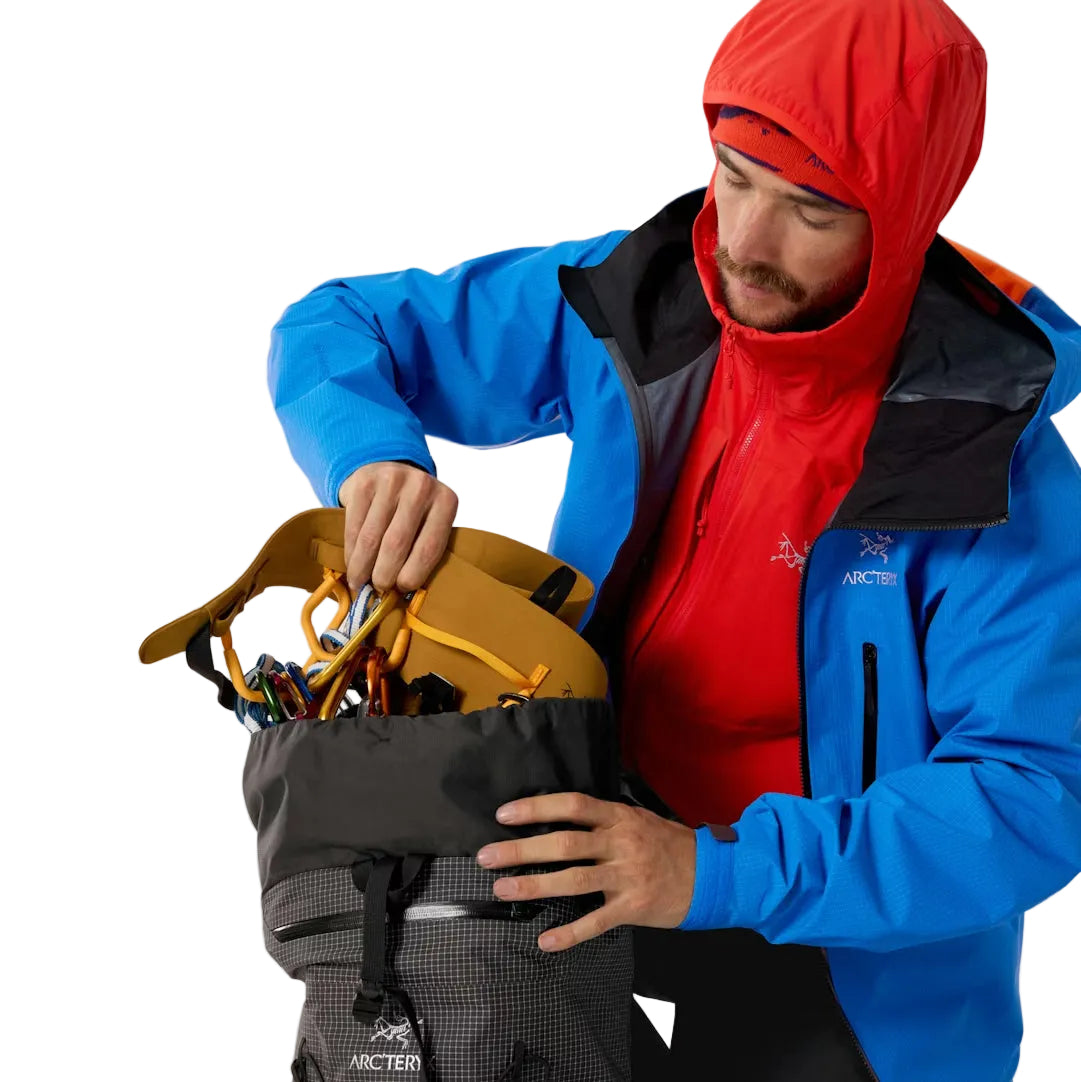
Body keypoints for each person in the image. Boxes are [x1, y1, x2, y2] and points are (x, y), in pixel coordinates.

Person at [265, 0, 1081, 1077]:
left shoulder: (988, 461)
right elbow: (341, 324)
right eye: (733, 175)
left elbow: (1031, 793)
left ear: (904, 221)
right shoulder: (639, 304)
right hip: (588, 835)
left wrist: (712, 872)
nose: (745, 243)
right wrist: (375, 458)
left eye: (810, 210)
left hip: (838, 941)